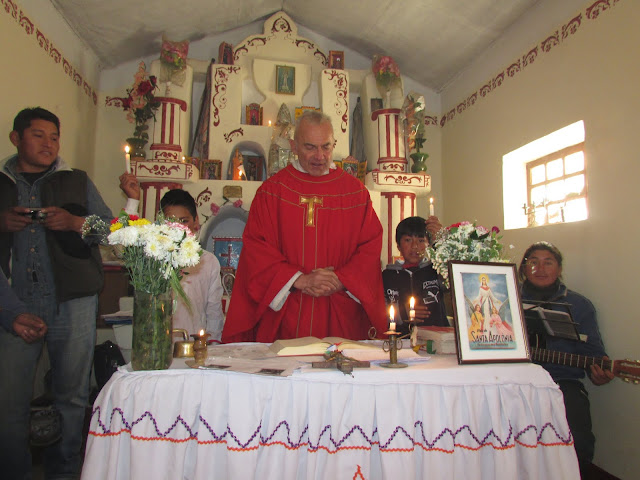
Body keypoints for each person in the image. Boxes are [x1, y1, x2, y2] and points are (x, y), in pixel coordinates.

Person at [0, 107, 115, 478]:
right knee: (9, 403)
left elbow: (112, 229)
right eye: (38, 135)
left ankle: (64, 472)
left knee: (72, 397)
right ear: (16, 139)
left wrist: (75, 222)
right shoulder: (1, 184)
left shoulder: (75, 180)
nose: (48, 144)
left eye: (54, 136)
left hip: (74, 301)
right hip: (14, 304)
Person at [222, 110, 388, 342]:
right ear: (294, 145)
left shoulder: (355, 193)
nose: (320, 156)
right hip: (287, 315)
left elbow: (369, 249)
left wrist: (341, 279)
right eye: (310, 147)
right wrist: (298, 280)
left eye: (326, 147)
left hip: (341, 315)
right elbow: (257, 249)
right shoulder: (272, 192)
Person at [518, 241, 613, 478]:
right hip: (515, 380)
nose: (540, 268)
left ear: (559, 269)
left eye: (548, 262)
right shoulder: (508, 297)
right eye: (533, 262)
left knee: (578, 439)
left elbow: (594, 353)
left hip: (563, 382)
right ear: (524, 269)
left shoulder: (580, 305)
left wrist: (599, 372)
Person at [118, 178, 225, 340]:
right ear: (161, 223)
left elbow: (214, 312)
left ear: (196, 221)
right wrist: (133, 200)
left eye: (184, 221)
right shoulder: (152, 258)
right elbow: (123, 246)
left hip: (193, 345)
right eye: (171, 222)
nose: (178, 228)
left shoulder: (208, 261)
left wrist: (212, 344)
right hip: (158, 342)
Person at [382, 216, 448, 335]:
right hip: (401, 342)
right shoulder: (388, 276)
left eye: (421, 240)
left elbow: (453, 282)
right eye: (408, 240)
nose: (414, 246)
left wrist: (441, 240)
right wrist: (403, 312)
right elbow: (380, 311)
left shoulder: (436, 270)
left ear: (429, 244)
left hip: (437, 341)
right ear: (398, 245)